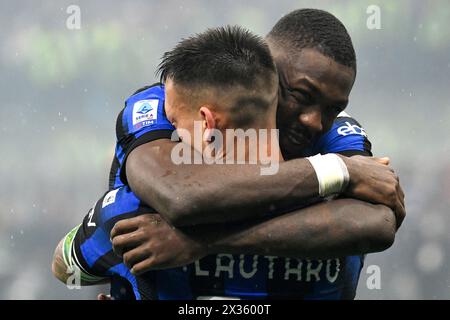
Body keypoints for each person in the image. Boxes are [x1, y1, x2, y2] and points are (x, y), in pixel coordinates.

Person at [52, 22, 401, 300]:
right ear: (266, 70)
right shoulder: (166, 103)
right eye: (300, 94)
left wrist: (201, 244)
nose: (315, 120)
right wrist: (341, 171)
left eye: (333, 108)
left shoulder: (134, 217)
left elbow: (379, 223)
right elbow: (180, 196)